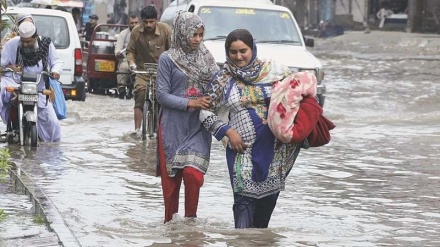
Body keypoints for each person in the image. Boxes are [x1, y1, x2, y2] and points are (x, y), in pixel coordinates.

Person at [200, 29, 315, 228]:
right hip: (241, 149)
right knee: (243, 202)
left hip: (275, 150)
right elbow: (204, 111)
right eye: (233, 52)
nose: (238, 57)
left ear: (252, 49)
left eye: (243, 51)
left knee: (266, 207)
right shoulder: (222, 80)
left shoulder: (274, 72)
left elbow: (298, 93)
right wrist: (227, 131)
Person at [155, 10, 218, 223]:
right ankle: (171, 228)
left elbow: (218, 85)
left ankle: (190, 224)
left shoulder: (207, 57)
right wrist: (191, 102)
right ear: (182, 33)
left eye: (201, 35)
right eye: (194, 35)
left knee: (193, 175)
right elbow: (161, 95)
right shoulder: (167, 59)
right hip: (172, 127)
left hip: (198, 126)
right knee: (171, 185)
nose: (197, 40)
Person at [0, 21, 63, 142]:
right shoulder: (12, 44)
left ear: (35, 36)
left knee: (52, 124)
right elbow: (1, 64)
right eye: (23, 41)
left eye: (28, 41)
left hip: (37, 85)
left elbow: (57, 61)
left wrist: (55, 71)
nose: (25, 44)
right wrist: (8, 67)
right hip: (15, 81)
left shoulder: (46, 44)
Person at [126, 6, 171, 138]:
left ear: (156, 20)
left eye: (151, 22)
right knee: (140, 93)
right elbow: (130, 51)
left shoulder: (165, 30)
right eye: (145, 22)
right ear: (142, 21)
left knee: (162, 97)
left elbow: (173, 51)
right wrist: (132, 64)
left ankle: (160, 128)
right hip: (142, 71)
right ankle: (137, 129)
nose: (148, 25)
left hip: (162, 71)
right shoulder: (136, 32)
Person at [114, 14, 139, 99]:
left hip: (139, 60)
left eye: (136, 23)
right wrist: (118, 53)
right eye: (132, 23)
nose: (134, 25)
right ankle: (121, 89)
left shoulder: (143, 34)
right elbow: (118, 49)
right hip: (125, 59)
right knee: (123, 68)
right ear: (129, 23)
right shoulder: (123, 34)